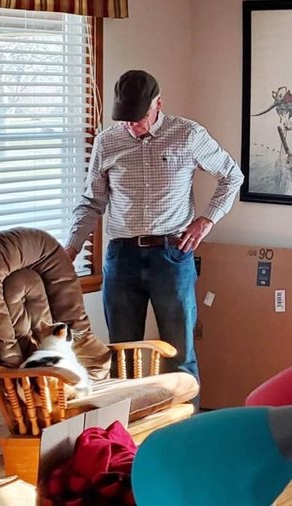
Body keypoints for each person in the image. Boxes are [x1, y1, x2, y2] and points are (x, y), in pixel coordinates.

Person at [65, 69, 244, 381]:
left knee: (179, 356)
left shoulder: (188, 135)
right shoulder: (108, 142)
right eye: (126, 119)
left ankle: (185, 430)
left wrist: (205, 221)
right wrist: (73, 244)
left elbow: (232, 176)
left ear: (158, 104)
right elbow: (92, 201)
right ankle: (128, 430)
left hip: (172, 256)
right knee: (123, 357)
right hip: (122, 259)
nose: (133, 126)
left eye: (139, 117)